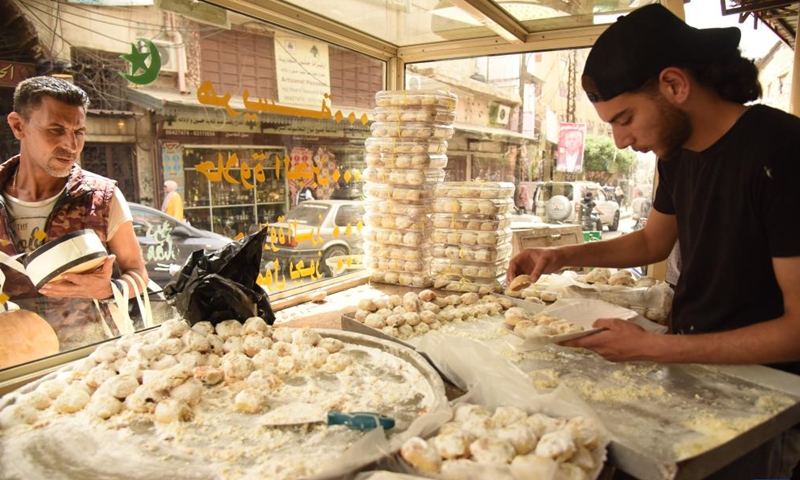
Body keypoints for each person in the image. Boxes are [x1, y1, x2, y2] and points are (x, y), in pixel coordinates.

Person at [506, 5, 800, 479]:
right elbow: (651, 243)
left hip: (767, 402)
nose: (621, 141)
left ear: (674, 85)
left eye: (625, 118)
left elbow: (797, 329)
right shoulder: (679, 156)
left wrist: (657, 349)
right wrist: (559, 256)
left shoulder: (782, 152)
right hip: (694, 374)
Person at [0, 76, 148, 350]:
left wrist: (108, 289)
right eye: (56, 129)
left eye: (78, 131)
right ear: (18, 126)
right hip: (13, 364)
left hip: (90, 359)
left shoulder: (102, 197)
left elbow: (137, 273)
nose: (72, 145)